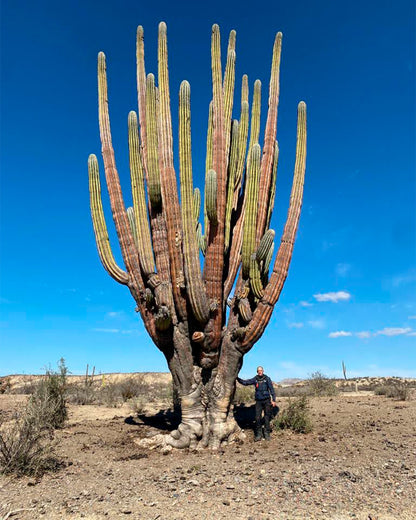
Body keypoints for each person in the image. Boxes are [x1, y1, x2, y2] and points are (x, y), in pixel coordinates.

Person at [237, 366, 277, 441]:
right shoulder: (255, 379)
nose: (260, 372)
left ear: (263, 371)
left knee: (266, 417)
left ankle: (267, 434)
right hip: (258, 401)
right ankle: (258, 435)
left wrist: (273, 400)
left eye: (261, 370)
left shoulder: (267, 379)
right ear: (257, 372)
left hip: (267, 400)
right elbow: (246, 382)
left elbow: (272, 389)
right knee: (257, 418)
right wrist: (237, 378)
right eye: (258, 370)